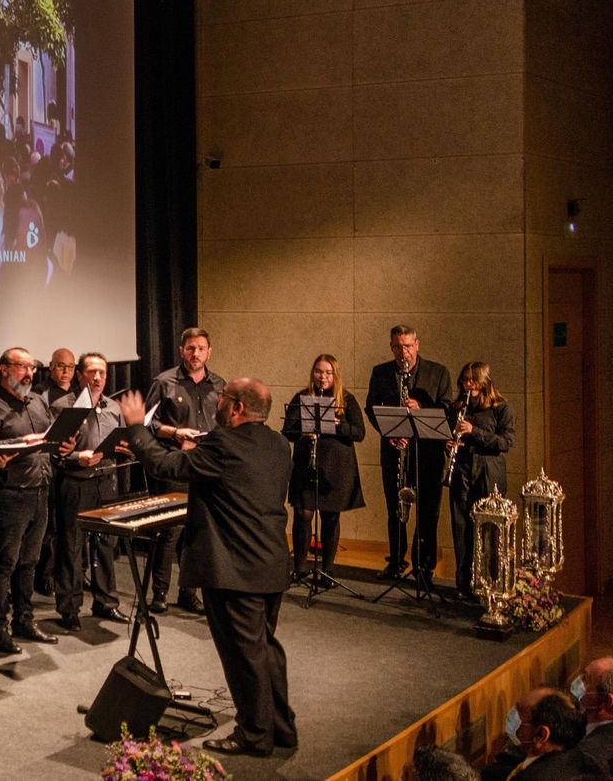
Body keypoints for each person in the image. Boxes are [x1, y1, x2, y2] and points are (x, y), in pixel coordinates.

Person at [121, 379, 297, 757]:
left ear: (237, 408)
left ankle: (254, 734)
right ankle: (281, 727)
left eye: (223, 397)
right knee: (266, 649)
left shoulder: (223, 445)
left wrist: (137, 428)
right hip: (270, 561)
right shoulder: (278, 444)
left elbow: (164, 465)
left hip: (234, 569)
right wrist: (197, 452)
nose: (216, 401)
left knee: (243, 656)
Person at [0, 347, 61, 652]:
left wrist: (64, 443)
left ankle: (24, 620)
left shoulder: (37, 401)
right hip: (11, 494)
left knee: (29, 561)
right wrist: (18, 444)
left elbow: (50, 436)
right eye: (22, 367)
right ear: (4, 369)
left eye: (32, 368)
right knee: (4, 563)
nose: (29, 374)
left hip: (40, 489)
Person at [364, 324, 455, 584]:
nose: (403, 352)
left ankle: (423, 566)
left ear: (417, 345)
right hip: (395, 451)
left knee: (428, 512)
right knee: (395, 510)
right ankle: (396, 561)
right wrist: (390, 432)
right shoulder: (381, 372)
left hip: (428, 454)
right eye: (398, 347)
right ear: (391, 347)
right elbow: (371, 408)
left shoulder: (438, 372)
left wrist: (421, 407)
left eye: (407, 346)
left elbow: (447, 409)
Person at [143, 327, 224, 616]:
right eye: (190, 348)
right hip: (175, 466)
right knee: (169, 533)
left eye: (201, 348)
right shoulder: (164, 382)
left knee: (198, 533)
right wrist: (175, 433)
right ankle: (159, 593)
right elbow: (147, 423)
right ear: (181, 351)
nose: (195, 354)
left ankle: (188, 593)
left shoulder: (219, 385)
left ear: (209, 352)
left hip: (206, 468)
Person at [52, 352, 126, 630]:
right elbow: (53, 451)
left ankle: (105, 602)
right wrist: (76, 458)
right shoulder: (63, 406)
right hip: (75, 482)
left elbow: (120, 441)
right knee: (72, 547)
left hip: (105, 481)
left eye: (102, 373)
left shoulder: (113, 407)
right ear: (80, 375)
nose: (97, 378)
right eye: (92, 372)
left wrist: (127, 446)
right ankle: (69, 609)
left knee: (105, 544)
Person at [279, 354, 366, 584]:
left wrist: (339, 425)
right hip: (306, 463)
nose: (323, 377)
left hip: (335, 466)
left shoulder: (346, 400)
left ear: (335, 375)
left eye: (328, 373)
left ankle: (327, 570)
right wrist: (302, 431)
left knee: (330, 517)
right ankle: (300, 568)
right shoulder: (302, 397)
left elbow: (359, 433)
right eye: (318, 371)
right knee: (302, 513)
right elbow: (287, 431)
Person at [446, 361, 516, 601]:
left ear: (484, 382)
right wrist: (449, 445)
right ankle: (463, 582)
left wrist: (474, 431)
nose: (468, 385)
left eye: (473, 380)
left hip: (488, 471)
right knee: (461, 526)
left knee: (488, 530)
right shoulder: (457, 407)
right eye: (465, 380)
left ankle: (489, 583)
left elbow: (505, 443)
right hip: (462, 470)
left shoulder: (501, 408)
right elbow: (449, 435)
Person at [33, 347, 77, 596]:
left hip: (72, 464)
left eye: (70, 367)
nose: (65, 371)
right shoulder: (41, 393)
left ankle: (68, 573)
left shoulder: (78, 393)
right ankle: (46, 574)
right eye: (61, 366)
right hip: (48, 465)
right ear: (51, 367)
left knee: (68, 524)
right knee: (49, 525)